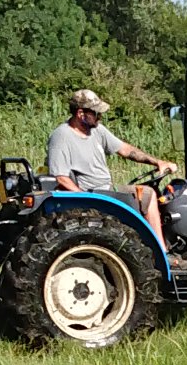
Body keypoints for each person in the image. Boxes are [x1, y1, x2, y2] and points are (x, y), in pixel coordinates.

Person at [47, 89, 179, 248]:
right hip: (94, 194)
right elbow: (61, 178)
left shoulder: (97, 130)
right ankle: (162, 252)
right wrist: (85, 199)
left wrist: (158, 162)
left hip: (107, 189)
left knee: (148, 192)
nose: (100, 117)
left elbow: (125, 150)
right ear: (81, 114)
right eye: (96, 113)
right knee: (148, 195)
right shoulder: (61, 137)